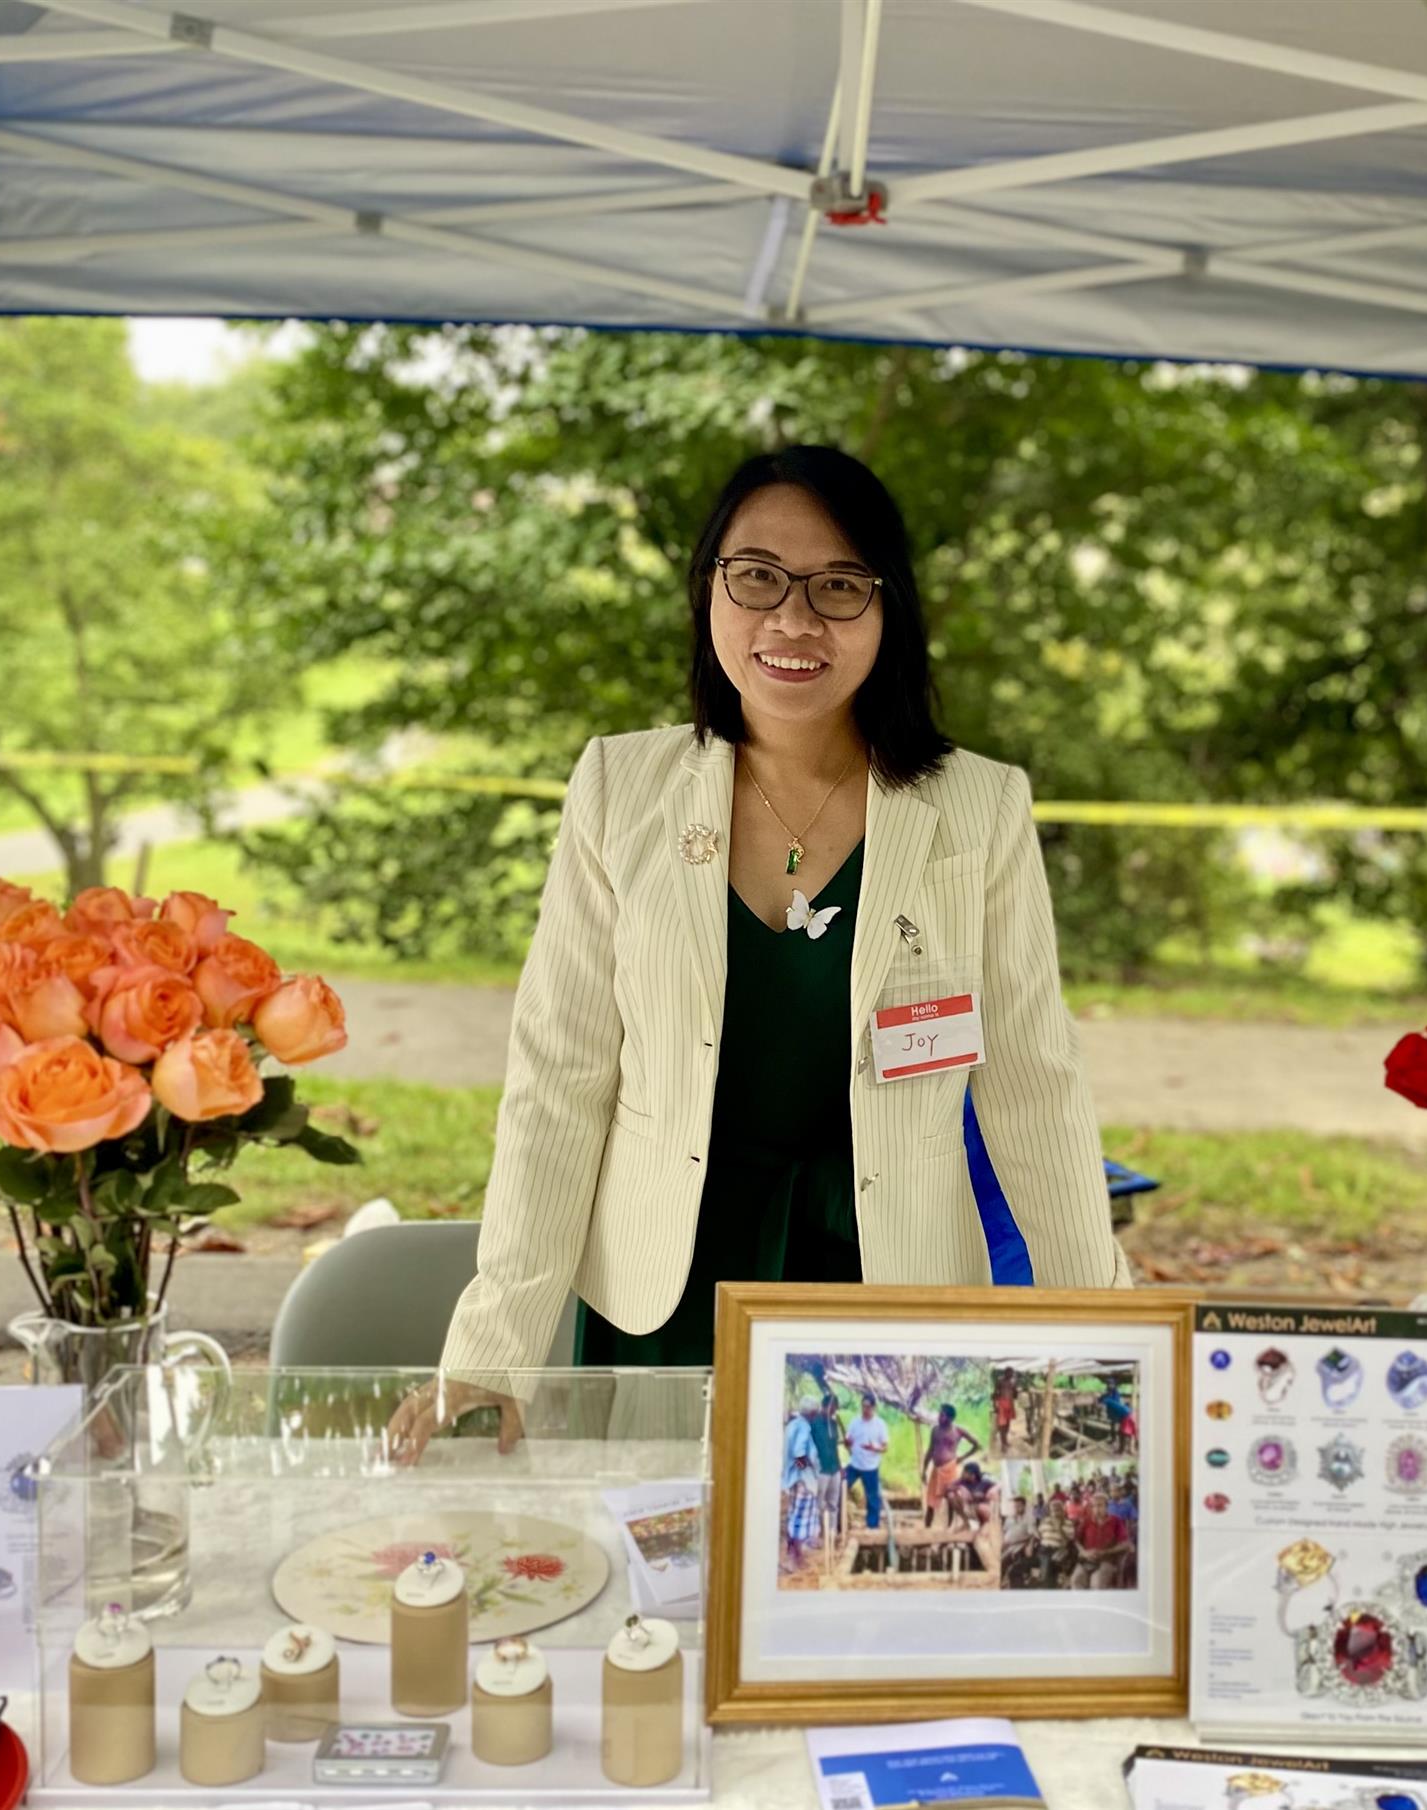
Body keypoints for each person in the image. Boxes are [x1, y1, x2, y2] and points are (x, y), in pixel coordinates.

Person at [385, 445, 1127, 1463]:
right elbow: (557, 1084)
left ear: (889, 609)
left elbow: (1036, 1088)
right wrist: (488, 1355)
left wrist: (1111, 1342)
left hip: (892, 1282)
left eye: (838, 586)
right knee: (660, 1552)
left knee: (872, 1534)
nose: (793, 619)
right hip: (669, 1286)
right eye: (759, 577)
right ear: (709, 590)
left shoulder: (977, 809)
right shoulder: (620, 790)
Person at [922, 1403, 982, 1528]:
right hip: (936, 1469)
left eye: (942, 1415)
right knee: (930, 1500)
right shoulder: (935, 1430)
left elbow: (977, 1445)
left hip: (949, 1468)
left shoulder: (957, 1431)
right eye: (939, 1414)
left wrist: (962, 1458)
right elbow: (930, 1450)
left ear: (950, 1418)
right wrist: (924, 1469)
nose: (939, 1417)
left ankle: (949, 1528)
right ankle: (927, 1528)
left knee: (950, 1497)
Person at [782, 1404, 821, 1573]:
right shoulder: (804, 1427)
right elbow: (799, 1453)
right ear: (811, 1413)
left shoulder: (792, 1425)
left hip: (792, 1478)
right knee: (800, 1519)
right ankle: (794, 1559)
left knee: (794, 1515)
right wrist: (806, 1470)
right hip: (803, 1480)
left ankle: (795, 1555)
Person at [845, 1394, 889, 1532]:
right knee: (840, 1486)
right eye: (863, 1406)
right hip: (854, 1464)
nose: (865, 1409)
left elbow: (885, 1447)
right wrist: (848, 1443)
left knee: (872, 1498)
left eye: (868, 1407)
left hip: (871, 1466)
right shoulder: (854, 1422)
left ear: (873, 1408)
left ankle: (872, 1526)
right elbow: (848, 1441)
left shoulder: (880, 1424)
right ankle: (841, 1522)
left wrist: (874, 1448)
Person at [810, 1391, 846, 1545]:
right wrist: (805, 1467)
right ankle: (817, 1535)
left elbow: (834, 1447)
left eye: (835, 1409)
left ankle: (831, 1534)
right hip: (821, 1469)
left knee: (833, 1503)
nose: (833, 1412)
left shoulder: (833, 1424)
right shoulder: (814, 1423)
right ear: (824, 1406)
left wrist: (840, 1466)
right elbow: (806, 1448)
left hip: (834, 1469)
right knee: (818, 1503)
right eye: (832, 1408)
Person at [1072, 1493, 1124, 1590]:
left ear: (1107, 1507)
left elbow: (1125, 1543)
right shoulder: (1086, 1521)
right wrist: (1083, 1552)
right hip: (1086, 1559)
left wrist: (1105, 1552)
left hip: (1106, 1560)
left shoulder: (1115, 1521)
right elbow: (1076, 1540)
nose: (1096, 1509)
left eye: (1100, 1505)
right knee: (1076, 1580)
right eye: (1093, 1506)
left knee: (1097, 1583)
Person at [991, 1369, 1018, 1456]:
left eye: (1012, 1374)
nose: (1011, 1375)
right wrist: (995, 1405)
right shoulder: (1000, 1381)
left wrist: (1015, 1388)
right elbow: (995, 1393)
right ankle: (1003, 1445)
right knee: (1002, 1425)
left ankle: (1005, 1441)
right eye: (1010, 1373)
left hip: (1010, 1404)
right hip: (1001, 1404)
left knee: (1008, 1424)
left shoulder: (1012, 1382)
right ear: (1005, 1373)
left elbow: (1015, 1395)